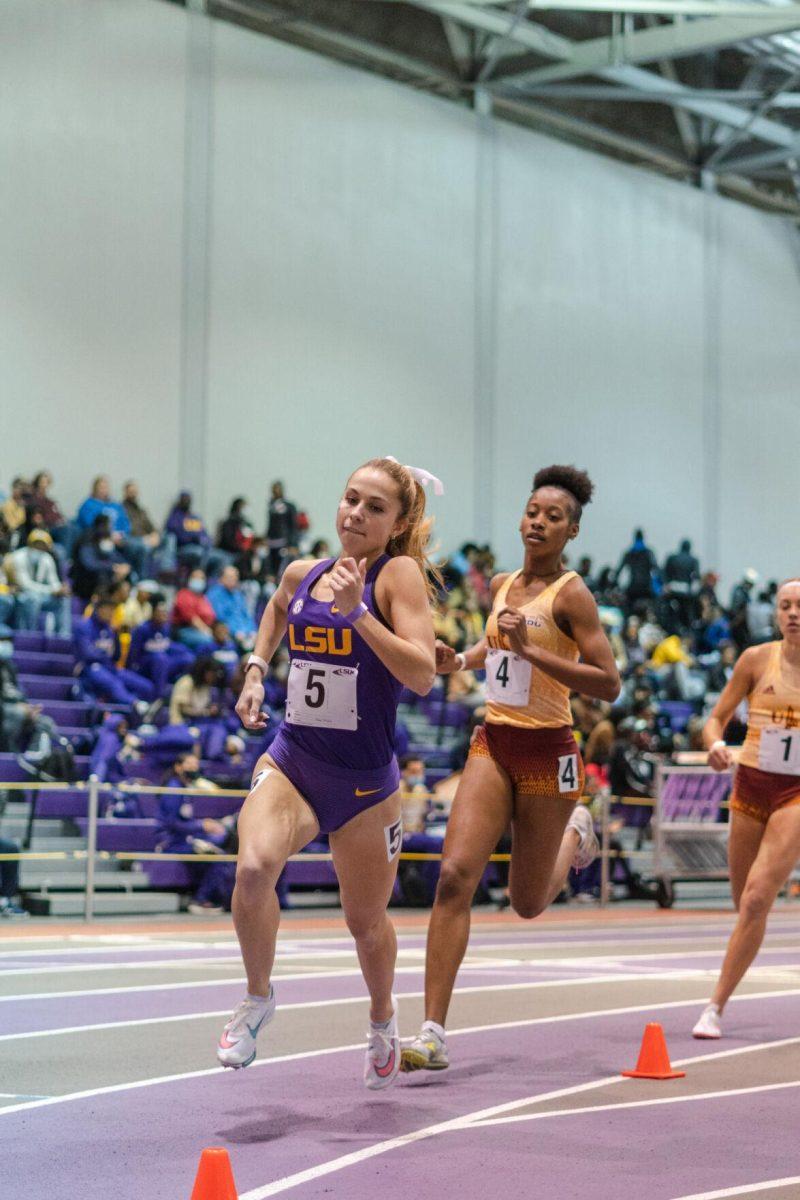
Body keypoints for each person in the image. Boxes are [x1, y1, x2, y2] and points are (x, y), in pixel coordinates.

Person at [216, 456, 442, 1090]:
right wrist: (257, 669)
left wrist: (358, 616)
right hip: (294, 762)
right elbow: (279, 608)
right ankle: (258, 997)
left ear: (398, 524)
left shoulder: (399, 577)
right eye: (351, 499)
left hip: (367, 785)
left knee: (365, 924)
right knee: (255, 867)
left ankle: (381, 1018)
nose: (356, 513)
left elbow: (422, 674)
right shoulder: (303, 571)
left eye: (375, 507)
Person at [401, 464, 620, 1074]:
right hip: (494, 742)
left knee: (526, 903)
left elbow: (609, 684)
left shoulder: (571, 595)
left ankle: (577, 831)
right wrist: (455, 660)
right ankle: (432, 1033)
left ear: (571, 531)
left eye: (553, 517)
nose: (538, 523)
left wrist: (533, 653)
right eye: (532, 511)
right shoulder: (501, 583)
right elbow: (489, 652)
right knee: (453, 877)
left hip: (551, 753)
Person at [693, 578, 800, 1040]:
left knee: (758, 897)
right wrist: (716, 744)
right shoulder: (756, 660)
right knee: (744, 905)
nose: (794, 613)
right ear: (776, 614)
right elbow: (715, 718)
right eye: (785, 606)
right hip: (750, 785)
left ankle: (714, 1006)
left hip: (795, 794)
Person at [6, 530, 71, 634]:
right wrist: (51, 590)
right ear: (30, 544)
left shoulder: (47, 558)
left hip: (41, 595)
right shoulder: (18, 557)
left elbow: (53, 581)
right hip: (20, 594)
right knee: (32, 598)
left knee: (63, 600)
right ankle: (30, 635)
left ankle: (63, 635)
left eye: (42, 546)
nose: (39, 548)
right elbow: (25, 584)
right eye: (36, 545)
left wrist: (59, 589)